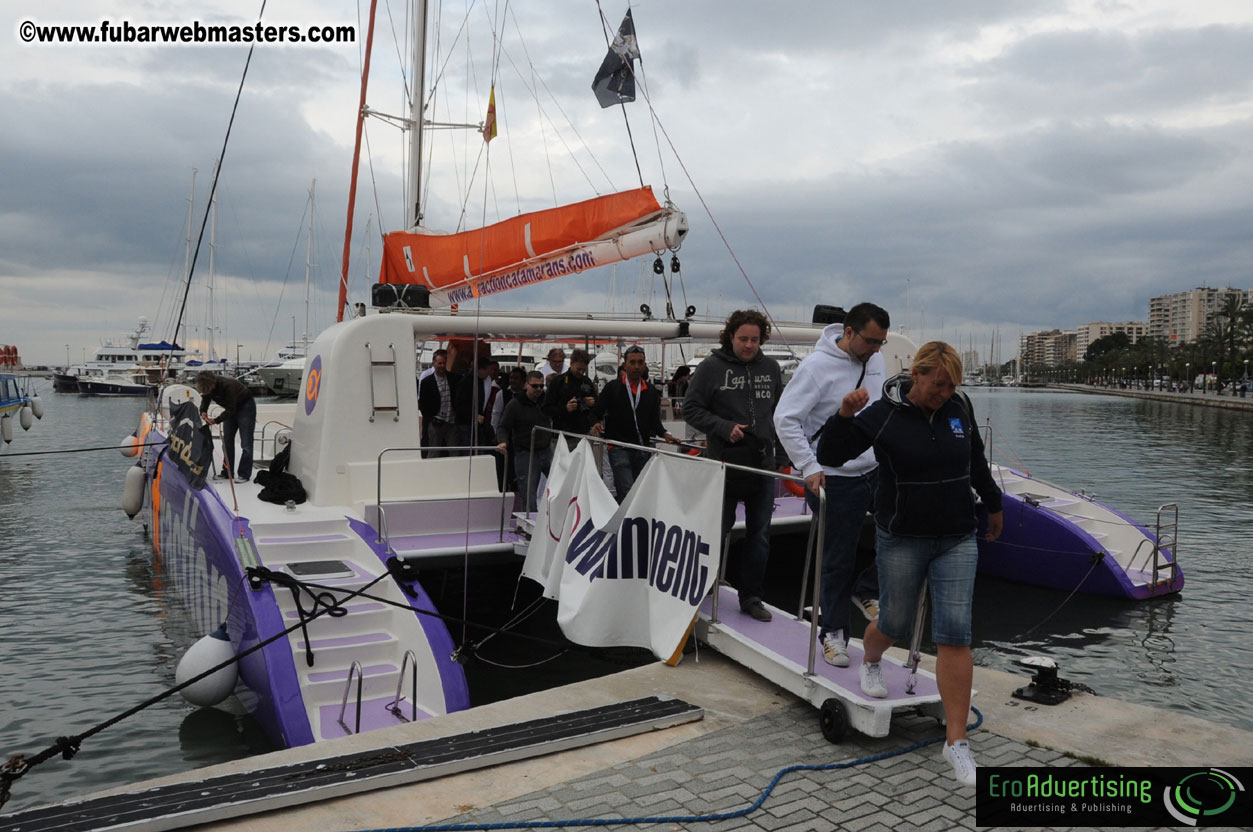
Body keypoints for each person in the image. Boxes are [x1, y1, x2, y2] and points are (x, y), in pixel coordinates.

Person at [816, 341, 1003, 788]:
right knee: (895, 619)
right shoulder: (883, 414)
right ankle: (873, 658)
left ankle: (956, 744)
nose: (945, 393)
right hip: (901, 537)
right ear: (916, 375)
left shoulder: (958, 407)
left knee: (955, 633)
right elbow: (831, 454)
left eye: (952, 386)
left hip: (957, 536)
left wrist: (994, 504)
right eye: (938, 384)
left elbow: (975, 460)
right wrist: (843, 415)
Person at [774, 302, 889, 668]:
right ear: (849, 332)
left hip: (872, 469)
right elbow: (785, 417)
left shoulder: (877, 361)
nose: (876, 349)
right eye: (871, 341)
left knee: (899, 535)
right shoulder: (815, 367)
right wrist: (808, 466)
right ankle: (834, 633)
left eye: (881, 343)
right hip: (832, 475)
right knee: (838, 558)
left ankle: (866, 588)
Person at [682, 309, 784, 622]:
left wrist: (781, 458)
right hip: (724, 465)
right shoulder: (711, 368)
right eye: (743, 339)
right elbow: (690, 409)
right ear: (731, 336)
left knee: (760, 534)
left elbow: (780, 414)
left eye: (754, 339)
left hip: (763, 464)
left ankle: (751, 597)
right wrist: (724, 427)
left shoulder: (771, 367)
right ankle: (699, 584)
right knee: (717, 529)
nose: (749, 345)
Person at [591, 345, 680, 500]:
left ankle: (632, 521)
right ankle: (625, 522)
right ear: (625, 364)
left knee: (641, 492)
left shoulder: (651, 391)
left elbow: (654, 421)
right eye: (632, 362)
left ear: (645, 364)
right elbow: (596, 412)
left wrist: (665, 433)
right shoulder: (613, 388)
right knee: (627, 491)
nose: (636, 367)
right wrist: (595, 423)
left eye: (640, 362)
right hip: (619, 447)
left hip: (642, 448)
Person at [496, 370, 553, 512]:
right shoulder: (514, 404)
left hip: (546, 451)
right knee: (528, 492)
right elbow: (503, 427)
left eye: (541, 386)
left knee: (559, 484)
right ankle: (530, 526)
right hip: (525, 453)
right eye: (535, 386)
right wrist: (503, 442)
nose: (539, 389)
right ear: (526, 385)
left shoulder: (547, 401)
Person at [195, 370, 256, 483]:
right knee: (227, 442)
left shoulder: (229, 385)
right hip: (230, 409)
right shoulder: (208, 387)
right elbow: (206, 398)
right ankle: (227, 472)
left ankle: (244, 474)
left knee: (246, 443)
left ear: (212, 384)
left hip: (245, 407)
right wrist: (203, 411)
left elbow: (231, 409)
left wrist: (216, 420)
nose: (207, 391)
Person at [543, 348, 598, 448]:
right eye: (579, 369)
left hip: (583, 435)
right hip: (562, 436)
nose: (581, 372)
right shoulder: (558, 382)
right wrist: (565, 408)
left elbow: (597, 407)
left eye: (584, 370)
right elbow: (546, 409)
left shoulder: (587, 382)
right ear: (571, 363)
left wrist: (593, 403)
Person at [418, 349, 460, 457]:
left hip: (451, 421)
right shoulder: (426, 381)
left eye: (444, 363)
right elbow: (422, 403)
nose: (442, 366)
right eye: (439, 363)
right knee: (434, 451)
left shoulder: (453, 378)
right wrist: (431, 418)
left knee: (454, 451)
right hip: (436, 422)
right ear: (434, 363)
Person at [454, 359, 503, 453]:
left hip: (477, 422)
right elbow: (460, 404)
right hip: (466, 423)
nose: (489, 373)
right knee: (467, 449)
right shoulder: (465, 382)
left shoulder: (481, 381)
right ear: (480, 370)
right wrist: (473, 415)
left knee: (479, 448)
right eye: (488, 370)